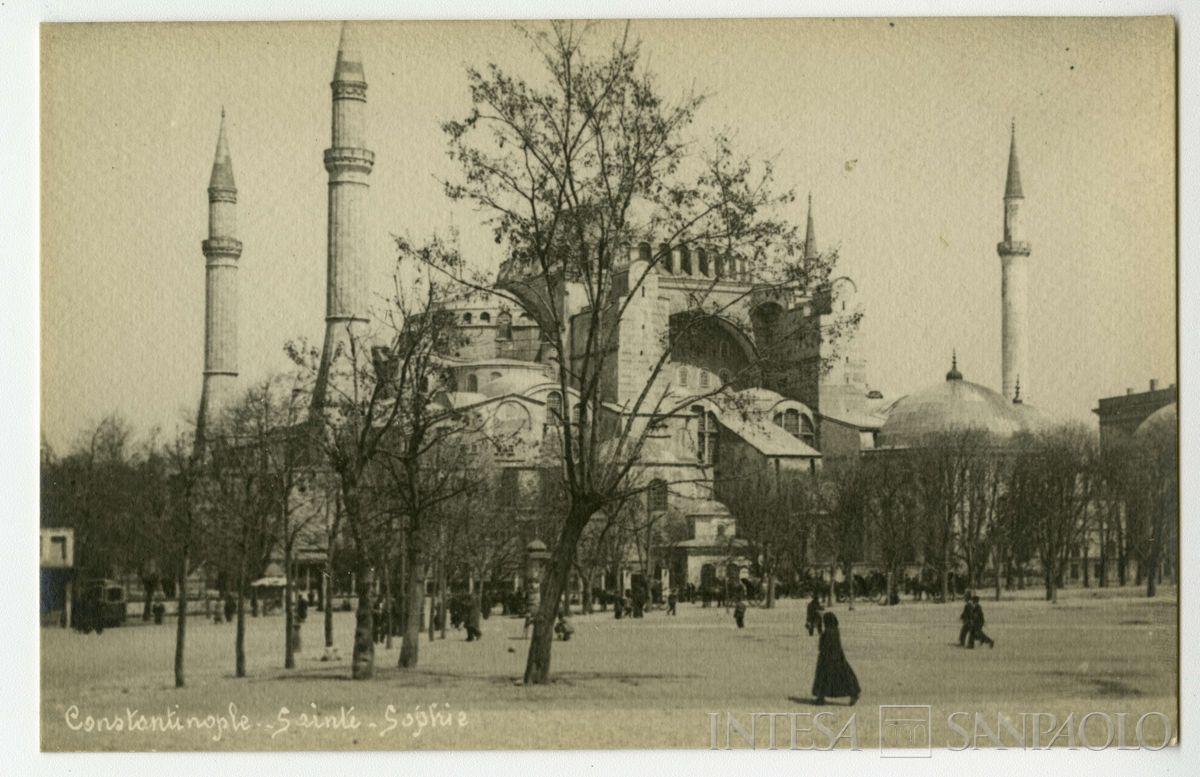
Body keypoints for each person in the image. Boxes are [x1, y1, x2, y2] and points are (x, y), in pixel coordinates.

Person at [811, 612, 860, 705]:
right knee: (843, 677)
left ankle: (821, 697)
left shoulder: (829, 632)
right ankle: (853, 693)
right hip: (838, 658)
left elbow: (823, 645)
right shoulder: (835, 630)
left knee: (824, 678)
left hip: (827, 659)